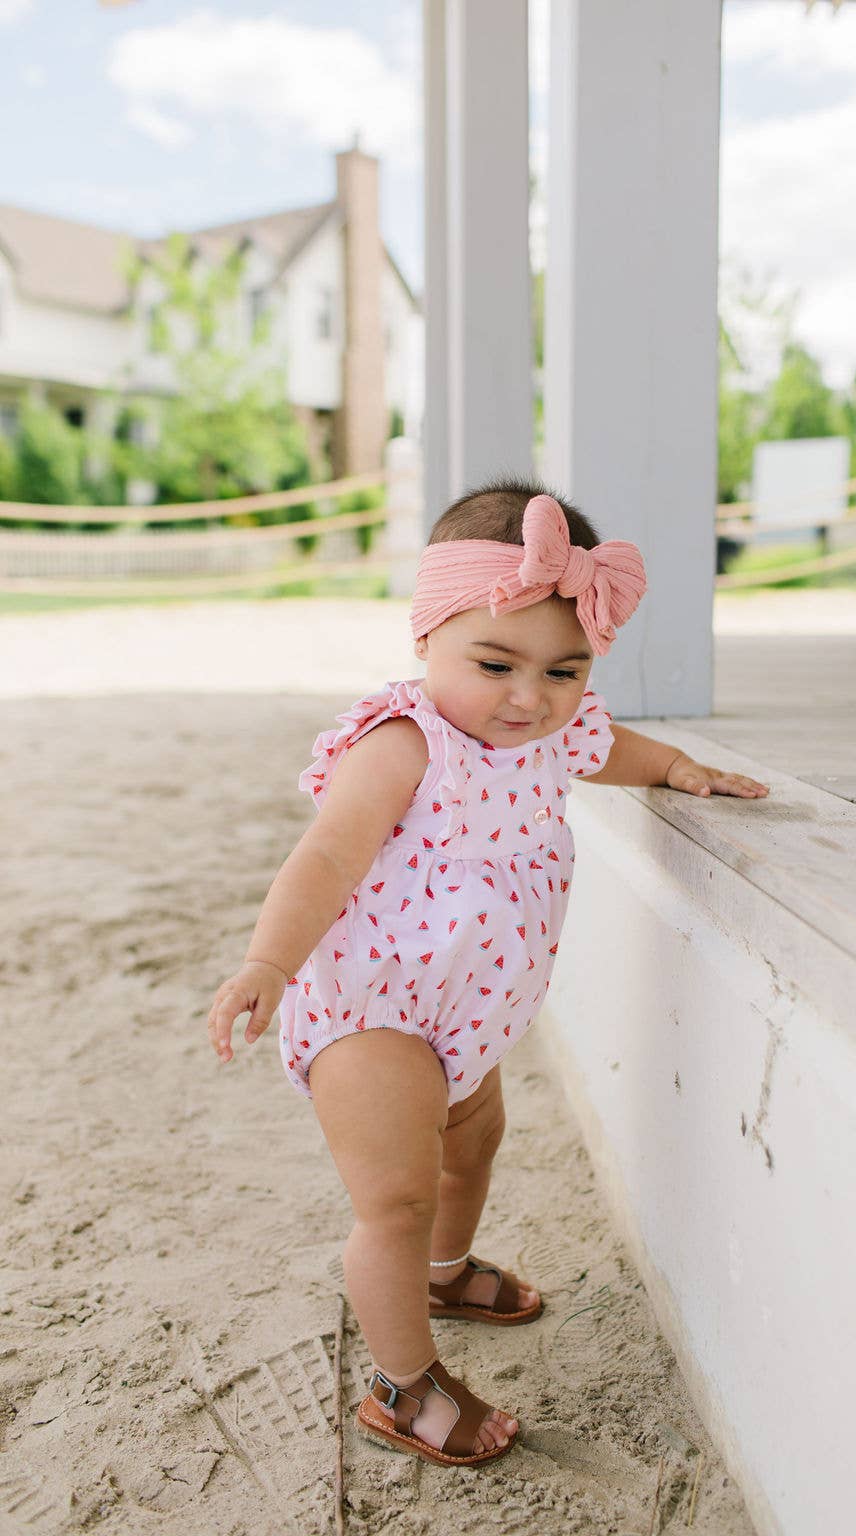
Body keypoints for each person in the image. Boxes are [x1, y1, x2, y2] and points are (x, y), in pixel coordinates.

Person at [206, 478, 768, 1469]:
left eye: (564, 670)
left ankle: (442, 1273)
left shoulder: (558, 732)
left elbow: (611, 747)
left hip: (469, 1014)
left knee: (474, 1148)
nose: (527, 697)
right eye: (495, 662)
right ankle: (405, 1386)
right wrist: (267, 962)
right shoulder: (402, 742)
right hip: (373, 1009)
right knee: (397, 1193)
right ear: (427, 638)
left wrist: (678, 767)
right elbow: (327, 859)